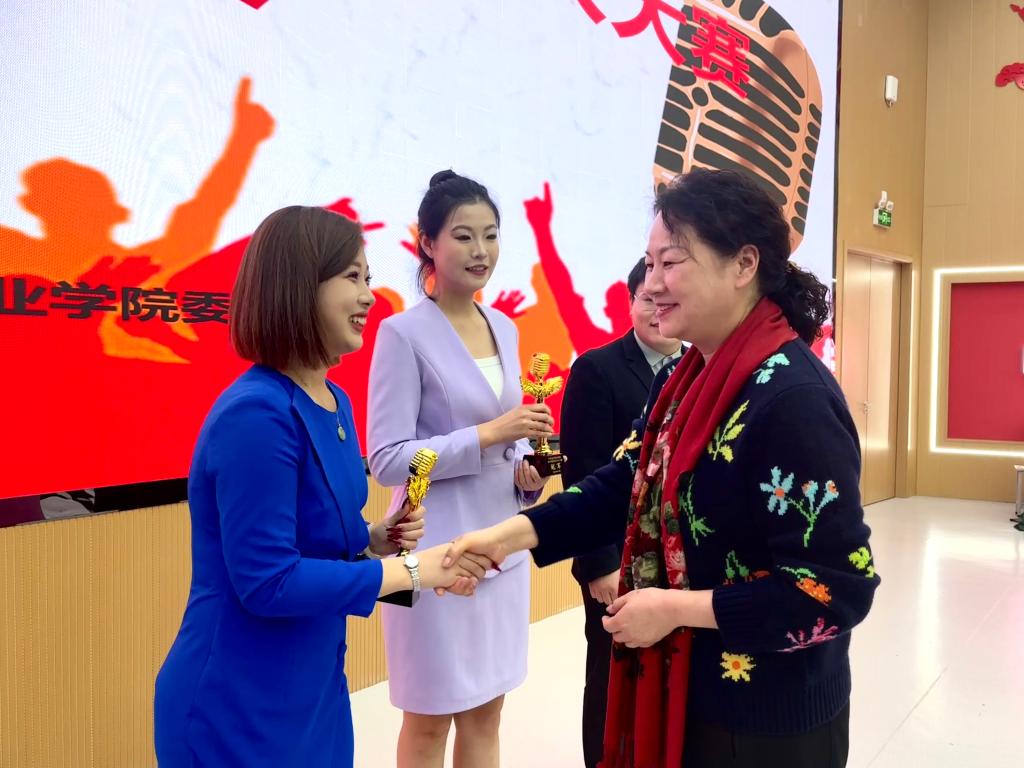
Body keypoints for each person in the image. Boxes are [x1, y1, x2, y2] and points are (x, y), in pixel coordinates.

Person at [445, 168, 881, 768]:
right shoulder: (685, 380)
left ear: (744, 264)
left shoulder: (793, 400)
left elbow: (834, 591)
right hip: (688, 690)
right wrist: (509, 536)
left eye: (670, 262)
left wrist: (675, 610)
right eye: (649, 265)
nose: (652, 284)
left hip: (769, 719)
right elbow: (625, 482)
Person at [153, 205, 483, 768]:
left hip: (312, 688)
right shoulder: (256, 415)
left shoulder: (335, 401)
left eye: (369, 278)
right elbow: (268, 580)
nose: (368, 297)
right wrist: (413, 571)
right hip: (236, 700)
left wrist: (374, 538)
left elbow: (316, 534)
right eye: (352, 277)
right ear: (298, 285)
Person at [368, 170, 552, 768]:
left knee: (487, 715)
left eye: (491, 236)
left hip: (502, 550)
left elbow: (508, 448)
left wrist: (526, 472)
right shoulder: (401, 333)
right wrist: (487, 435)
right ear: (427, 243)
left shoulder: (506, 327)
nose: (481, 251)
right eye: (464, 236)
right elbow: (388, 460)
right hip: (434, 556)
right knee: (427, 722)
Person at [559, 257, 682, 768]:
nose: (657, 310)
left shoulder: (696, 368)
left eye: (666, 299)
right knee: (610, 677)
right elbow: (582, 473)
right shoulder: (597, 369)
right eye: (646, 298)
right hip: (615, 560)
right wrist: (599, 563)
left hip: (675, 563)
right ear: (630, 302)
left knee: (668, 676)